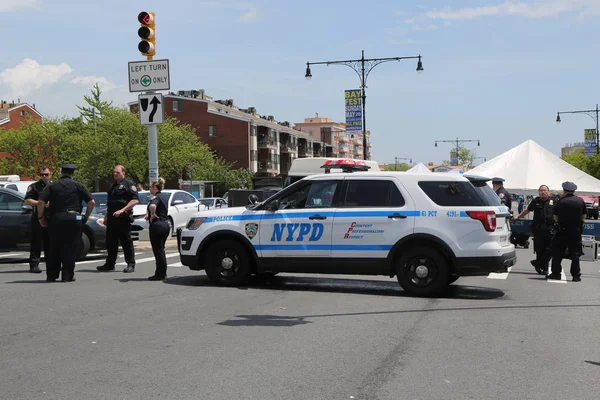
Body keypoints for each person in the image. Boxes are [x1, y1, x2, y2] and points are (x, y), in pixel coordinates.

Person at [37, 164, 94, 282]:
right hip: (74, 218)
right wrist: (86, 216)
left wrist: (41, 217)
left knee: (54, 247)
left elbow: (41, 201)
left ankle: (52, 275)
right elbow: (91, 201)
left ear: (61, 172)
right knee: (71, 247)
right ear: (72, 173)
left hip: (56, 219)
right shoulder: (78, 185)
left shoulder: (52, 186)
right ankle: (67, 276)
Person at [97, 165, 139, 273]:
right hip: (112, 218)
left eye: (117, 172)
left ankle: (130, 264)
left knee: (126, 241)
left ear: (123, 173)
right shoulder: (112, 186)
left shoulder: (128, 185)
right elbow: (110, 204)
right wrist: (106, 216)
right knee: (110, 242)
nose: (115, 174)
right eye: (114, 172)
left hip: (123, 218)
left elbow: (135, 200)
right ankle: (110, 264)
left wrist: (123, 209)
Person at [547, 181, 587, 282]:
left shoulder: (561, 201)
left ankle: (556, 273)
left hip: (562, 230)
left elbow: (555, 216)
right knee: (575, 254)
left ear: (564, 191)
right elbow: (584, 216)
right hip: (576, 231)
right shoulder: (580, 201)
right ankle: (576, 275)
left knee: (557, 252)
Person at [514, 185, 555, 275]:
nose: (542, 192)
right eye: (541, 190)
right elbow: (528, 210)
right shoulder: (536, 201)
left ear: (549, 192)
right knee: (539, 249)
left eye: (544, 190)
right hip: (538, 229)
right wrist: (518, 216)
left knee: (549, 249)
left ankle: (539, 263)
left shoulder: (553, 201)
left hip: (550, 229)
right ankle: (543, 268)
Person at [23, 166, 52, 274]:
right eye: (42, 175)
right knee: (36, 241)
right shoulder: (34, 187)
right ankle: (34, 265)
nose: (44, 176)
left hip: (52, 217)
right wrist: (40, 203)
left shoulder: (54, 186)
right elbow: (27, 200)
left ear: (51, 174)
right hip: (38, 217)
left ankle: (51, 263)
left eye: (46, 174)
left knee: (51, 241)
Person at [146, 178, 170, 281]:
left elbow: (152, 206)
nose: (150, 189)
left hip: (157, 226)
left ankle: (160, 273)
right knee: (161, 249)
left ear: (155, 187)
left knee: (158, 250)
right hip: (165, 224)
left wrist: (152, 214)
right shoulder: (164, 197)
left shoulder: (155, 197)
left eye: (150, 187)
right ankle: (162, 272)